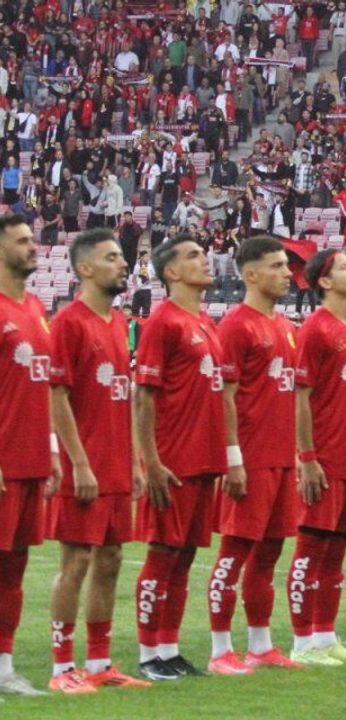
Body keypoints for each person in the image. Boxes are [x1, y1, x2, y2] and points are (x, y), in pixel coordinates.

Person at [46, 230, 148, 692]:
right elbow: (57, 395)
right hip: (83, 465)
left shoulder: (118, 321)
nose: (123, 264)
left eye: (122, 257)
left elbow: (123, 395)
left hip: (116, 463)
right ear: (85, 268)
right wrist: (79, 462)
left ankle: (100, 663)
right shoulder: (69, 322)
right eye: (111, 257)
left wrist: (135, 461)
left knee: (110, 559)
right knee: (77, 561)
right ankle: (61, 668)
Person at [204, 236, 302, 675]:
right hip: (250, 457)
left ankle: (261, 645)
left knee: (270, 553)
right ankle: (220, 649)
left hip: (281, 457)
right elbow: (225, 396)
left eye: (286, 266)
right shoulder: (236, 326)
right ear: (250, 274)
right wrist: (233, 458)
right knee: (235, 551)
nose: (286, 274)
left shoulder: (285, 327)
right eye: (277, 266)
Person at [133, 235, 228, 680]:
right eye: (193, 256)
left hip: (203, 458)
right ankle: (147, 653)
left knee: (185, 555)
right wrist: (149, 461)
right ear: (171, 272)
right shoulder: (163, 322)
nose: (204, 260)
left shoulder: (204, 321)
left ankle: (169, 649)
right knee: (163, 552)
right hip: (173, 460)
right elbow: (144, 396)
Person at [287, 248, 346, 666]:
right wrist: (307, 456)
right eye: (344, 267)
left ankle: (324, 634)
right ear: (323, 281)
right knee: (311, 547)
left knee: (336, 549)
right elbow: (300, 397)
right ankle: (302, 641)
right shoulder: (316, 329)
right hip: (324, 458)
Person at [0, 213, 57, 698]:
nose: (32, 246)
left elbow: (44, 388)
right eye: (21, 241)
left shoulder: (36, 307)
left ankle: (4, 667)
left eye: (32, 239)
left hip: (31, 460)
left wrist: (52, 449)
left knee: (13, 569)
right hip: (3, 461)